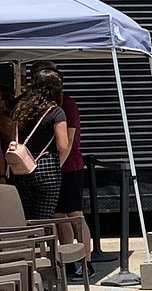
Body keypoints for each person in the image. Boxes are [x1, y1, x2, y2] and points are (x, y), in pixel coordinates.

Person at [30, 62, 95, 279]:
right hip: (57, 168)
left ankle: (86, 261)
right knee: (59, 216)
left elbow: (67, 141)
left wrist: (56, 167)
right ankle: (70, 262)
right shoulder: (47, 105)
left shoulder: (65, 105)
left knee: (74, 214)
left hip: (68, 167)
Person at [9, 69, 70, 218]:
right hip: (46, 166)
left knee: (27, 217)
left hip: (21, 167)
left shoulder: (20, 109)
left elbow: (13, 140)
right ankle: (40, 241)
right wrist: (57, 164)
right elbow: (62, 145)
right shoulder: (56, 112)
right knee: (43, 218)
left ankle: (29, 241)